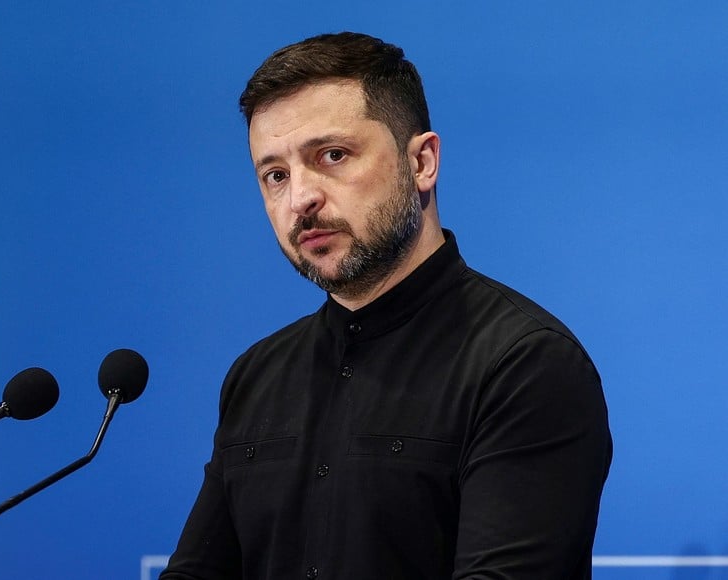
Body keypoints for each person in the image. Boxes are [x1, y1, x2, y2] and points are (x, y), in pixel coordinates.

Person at [160, 32, 612, 579]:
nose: (299, 198)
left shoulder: (525, 365)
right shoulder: (256, 375)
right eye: (275, 175)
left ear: (422, 161)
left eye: (331, 156)